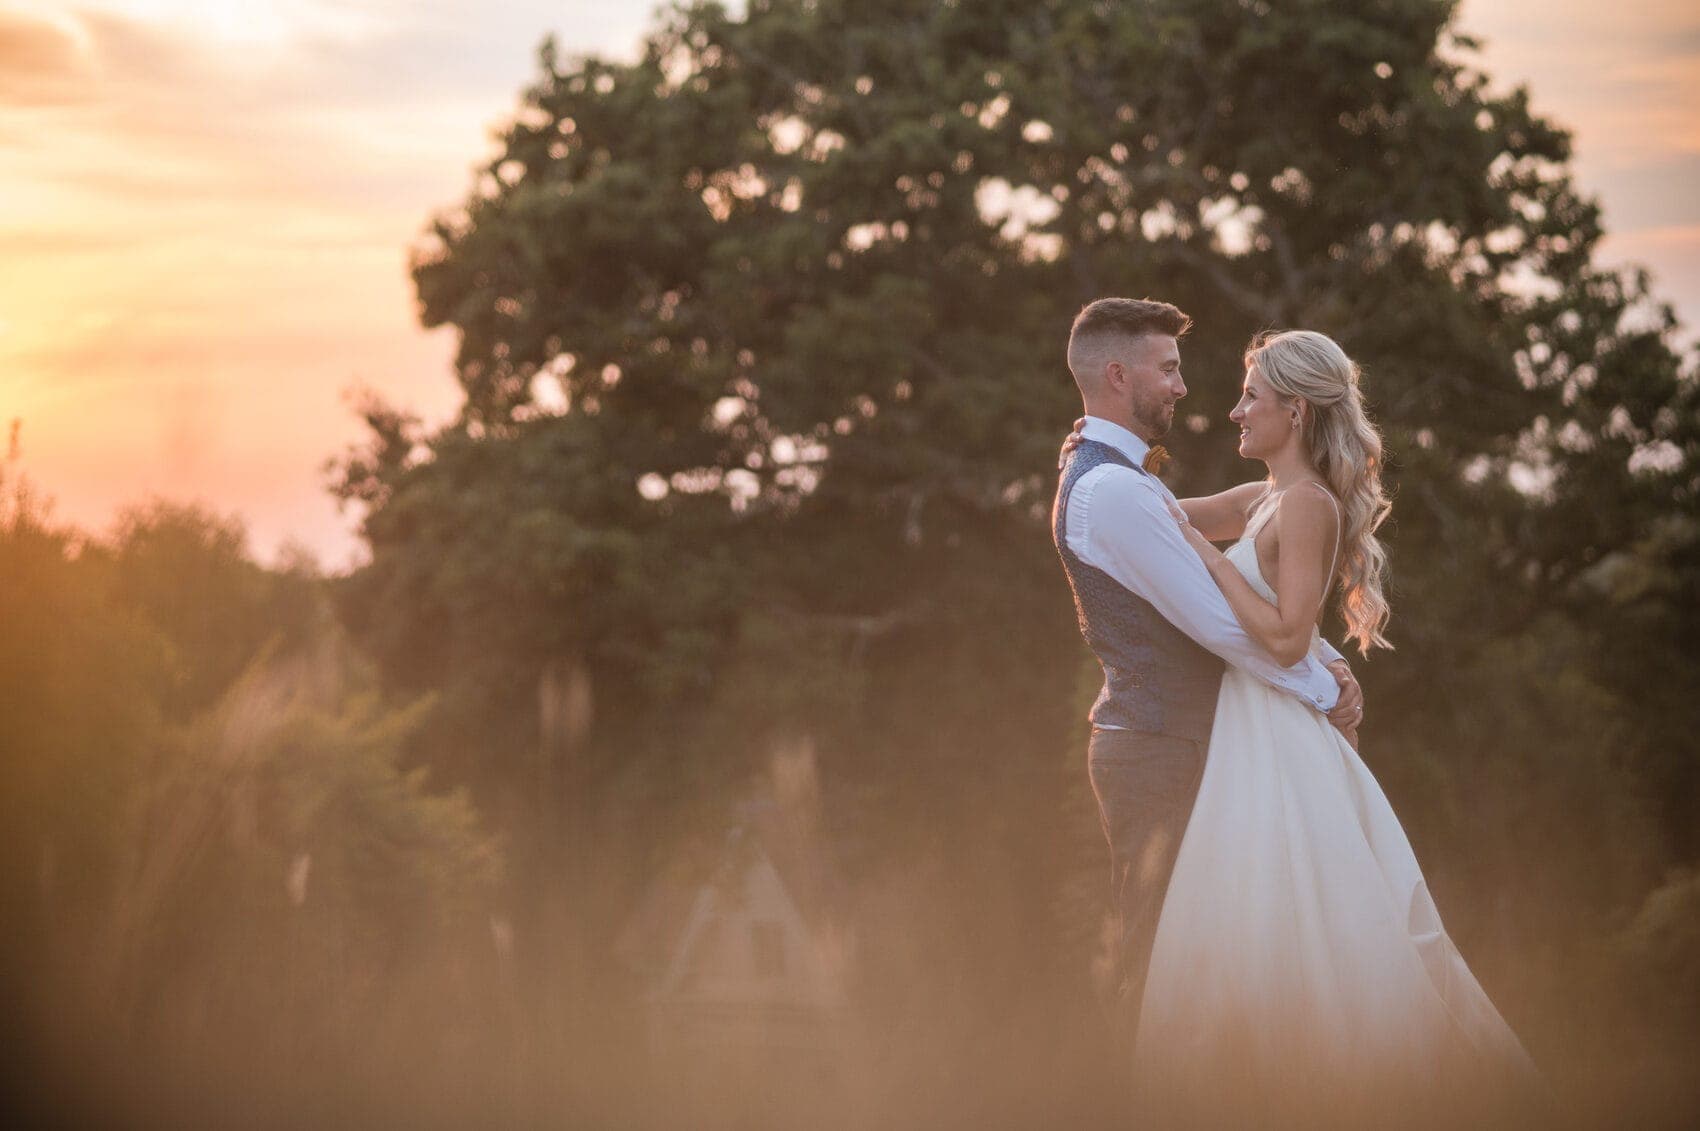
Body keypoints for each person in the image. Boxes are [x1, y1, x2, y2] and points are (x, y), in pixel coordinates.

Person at [1124, 328, 1546, 1126]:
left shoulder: (1309, 503)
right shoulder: (1263, 500)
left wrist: (1214, 566)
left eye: (1251, 395)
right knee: (1252, 923)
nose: (1233, 409)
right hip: (1246, 731)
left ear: (1295, 408)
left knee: (1310, 922)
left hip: (1279, 739)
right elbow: (1158, 516)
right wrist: (1097, 447)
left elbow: (1284, 634)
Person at [1051, 298, 1364, 1064]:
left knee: (1214, 952)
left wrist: (1320, 656)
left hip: (1198, 740)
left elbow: (1236, 573)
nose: (1188, 390)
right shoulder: (1116, 487)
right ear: (1119, 375)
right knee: (1162, 960)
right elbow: (1223, 627)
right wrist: (1328, 688)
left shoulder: (1129, 483)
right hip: (1164, 745)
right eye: (1170, 369)